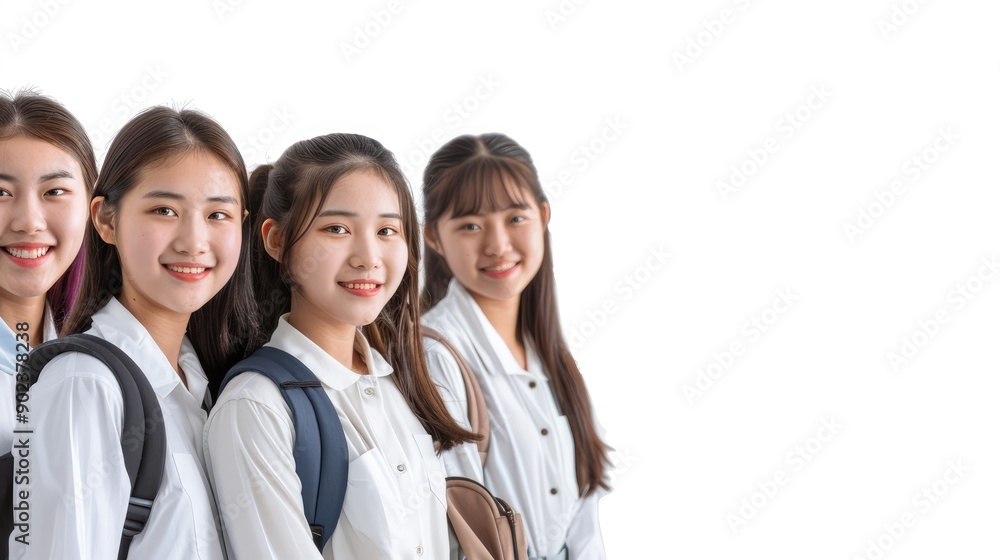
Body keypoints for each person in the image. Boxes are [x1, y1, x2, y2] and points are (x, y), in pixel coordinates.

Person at [204, 133, 476, 559]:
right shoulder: (256, 407)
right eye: (337, 228)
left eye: (388, 230)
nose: (369, 256)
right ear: (276, 240)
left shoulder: (403, 383)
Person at [10, 106, 256, 559]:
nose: (194, 241)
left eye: (218, 215)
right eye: (164, 210)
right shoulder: (84, 384)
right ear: (105, 221)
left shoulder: (207, 385)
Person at [421, 133, 612, 560]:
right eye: (470, 225)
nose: (498, 245)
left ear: (543, 215)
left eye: (515, 218)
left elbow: (583, 522)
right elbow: (463, 526)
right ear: (433, 236)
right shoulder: (437, 356)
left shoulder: (549, 353)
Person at [0, 90, 95, 455]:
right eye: (1, 192)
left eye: (54, 191)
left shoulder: (89, 349)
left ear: (94, 209)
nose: (29, 222)